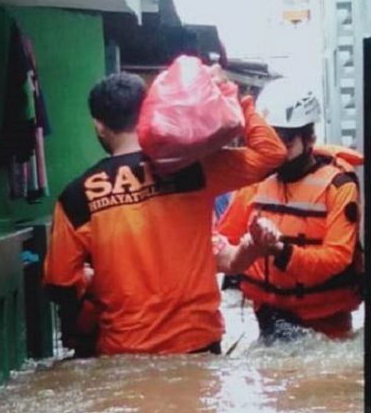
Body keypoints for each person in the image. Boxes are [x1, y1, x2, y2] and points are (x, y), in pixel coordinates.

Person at [44, 71, 286, 355]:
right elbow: (271, 153)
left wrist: (93, 277)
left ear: (99, 126)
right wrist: (235, 99)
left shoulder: (77, 197)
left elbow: (59, 284)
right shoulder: (193, 169)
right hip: (198, 345)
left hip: (124, 353)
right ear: (147, 112)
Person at [216, 81, 363, 342]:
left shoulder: (338, 186)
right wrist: (251, 246)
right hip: (268, 320)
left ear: (310, 140)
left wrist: (281, 251)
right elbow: (223, 243)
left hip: (326, 327)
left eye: (284, 142)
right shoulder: (255, 183)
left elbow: (338, 258)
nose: (276, 153)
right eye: (269, 141)